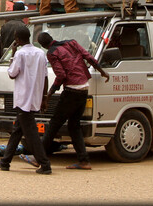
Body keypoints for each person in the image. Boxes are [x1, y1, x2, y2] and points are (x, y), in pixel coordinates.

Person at [33, 31, 109, 170]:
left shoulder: (52, 53)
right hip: (84, 87)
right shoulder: (71, 43)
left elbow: (61, 75)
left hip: (71, 90)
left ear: (43, 46)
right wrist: (102, 71)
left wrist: (49, 94)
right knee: (74, 126)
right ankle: (84, 160)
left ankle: (39, 158)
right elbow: (88, 57)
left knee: (54, 124)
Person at [0, 25, 52, 174]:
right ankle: (5, 161)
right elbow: (45, 77)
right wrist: (44, 97)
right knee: (17, 130)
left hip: (23, 98)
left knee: (31, 133)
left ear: (17, 39)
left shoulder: (20, 54)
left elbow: (12, 74)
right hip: (34, 98)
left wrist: (12, 54)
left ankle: (45, 164)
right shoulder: (40, 53)